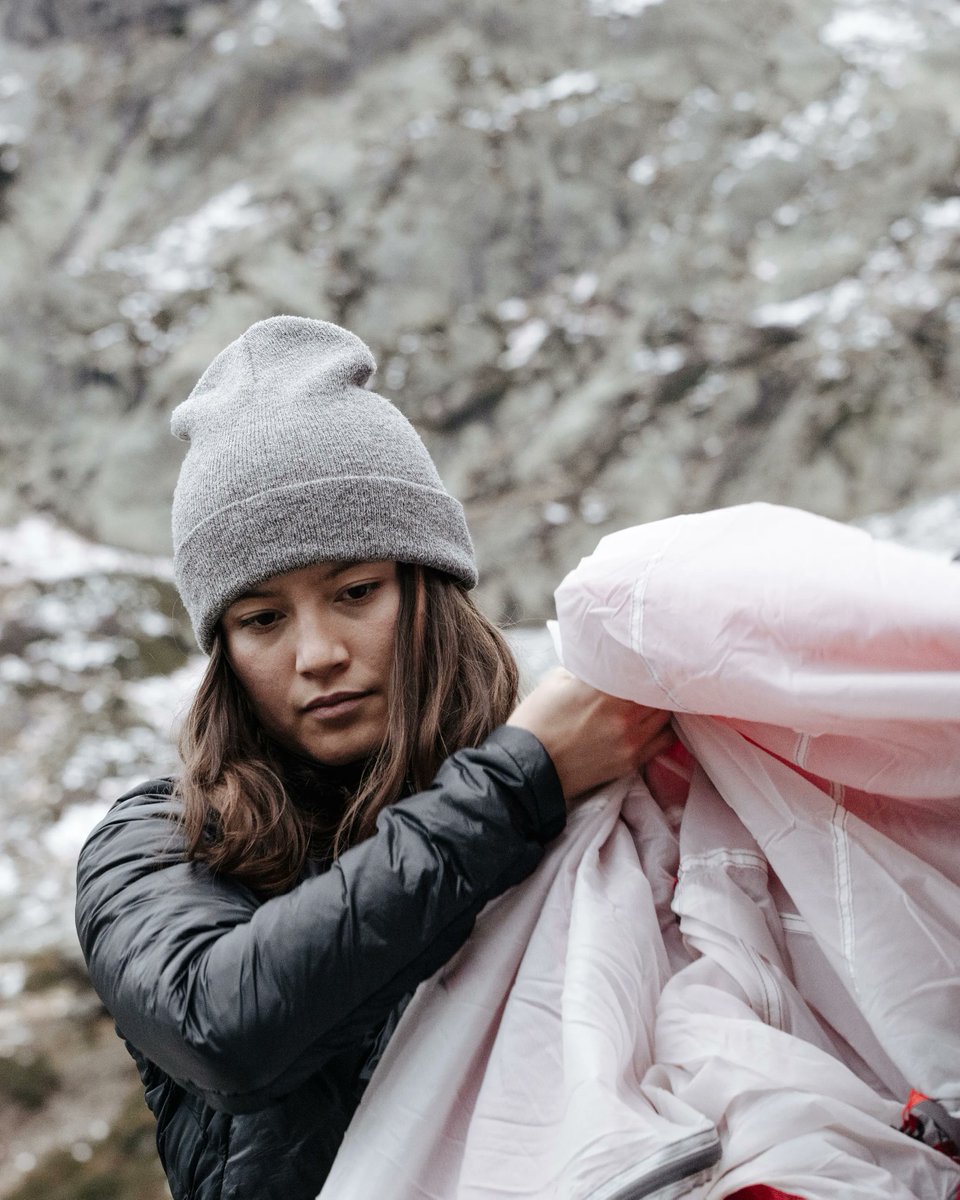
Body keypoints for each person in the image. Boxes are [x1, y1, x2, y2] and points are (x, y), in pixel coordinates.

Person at [75, 316, 674, 1200]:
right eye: (262, 619)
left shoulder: (586, 778)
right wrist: (514, 788)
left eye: (355, 592)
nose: (316, 653)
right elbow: (221, 1025)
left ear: (429, 590)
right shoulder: (158, 841)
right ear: (224, 652)